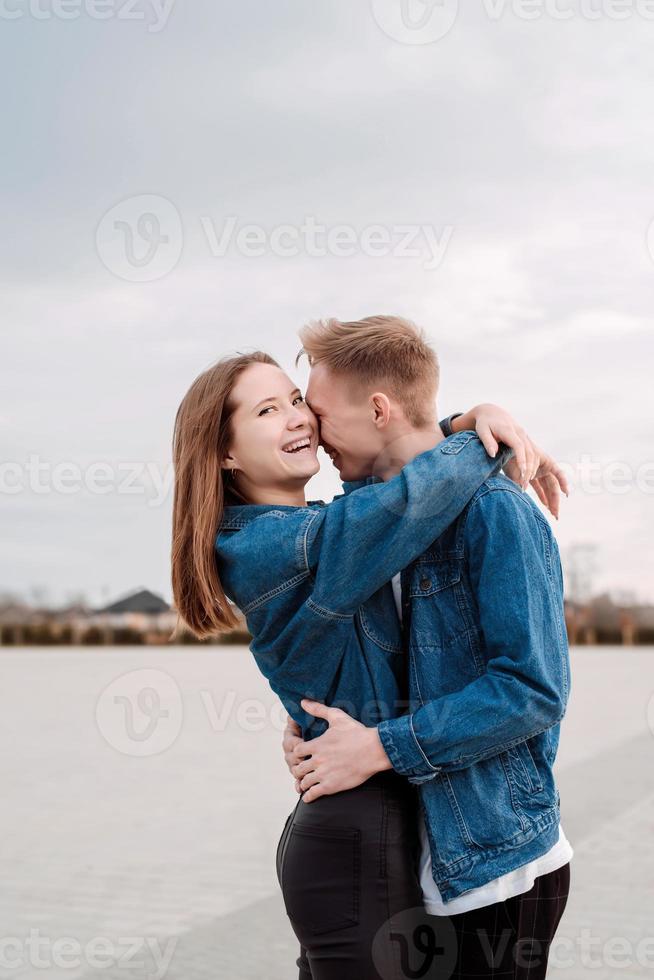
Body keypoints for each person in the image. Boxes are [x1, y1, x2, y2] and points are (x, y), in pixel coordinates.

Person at [170, 339, 566, 979]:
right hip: (356, 835)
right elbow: (406, 502)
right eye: (268, 411)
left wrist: (460, 424)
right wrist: (474, 428)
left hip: (382, 826)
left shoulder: (334, 524)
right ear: (224, 453)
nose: (301, 419)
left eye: (298, 400)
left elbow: (402, 498)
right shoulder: (280, 544)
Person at [282, 315, 573, 979]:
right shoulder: (371, 518)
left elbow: (532, 692)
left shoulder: (497, 512)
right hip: (415, 858)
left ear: (379, 408)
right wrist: (315, 727)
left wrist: (377, 748)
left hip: (498, 870)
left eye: (320, 414)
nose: (312, 433)